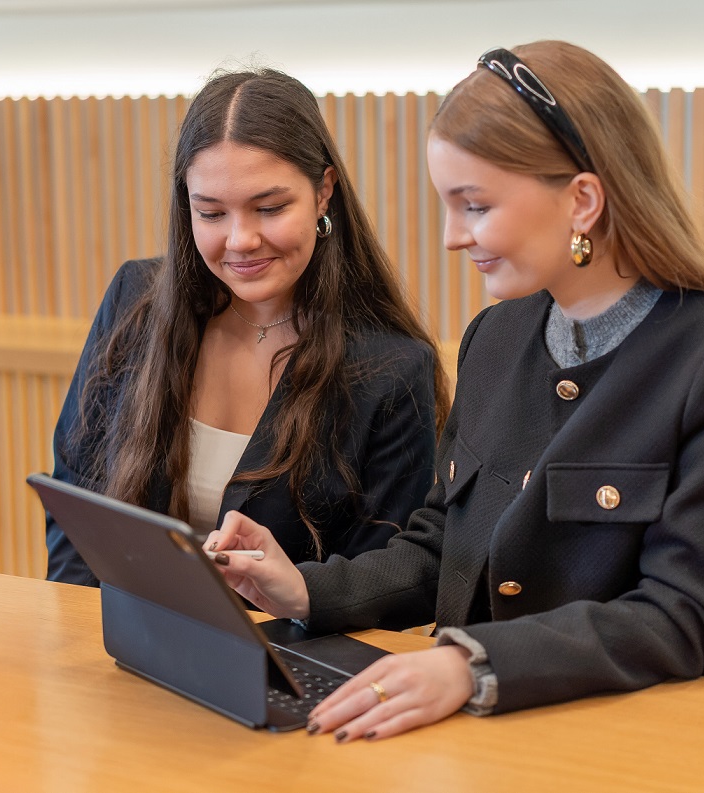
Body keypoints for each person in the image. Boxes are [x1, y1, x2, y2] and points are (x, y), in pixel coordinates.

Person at [203, 41, 704, 740]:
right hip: (504, 736)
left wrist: (470, 665)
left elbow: (686, 615)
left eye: (475, 206)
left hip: (674, 749)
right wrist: (304, 587)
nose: (453, 237)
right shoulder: (495, 336)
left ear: (582, 200)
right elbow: (442, 551)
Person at [46, 67, 449, 585]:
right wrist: (80, 623)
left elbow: (382, 580)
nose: (240, 240)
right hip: (119, 630)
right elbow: (75, 504)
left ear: (323, 192)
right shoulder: (134, 300)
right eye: (211, 214)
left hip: (283, 638)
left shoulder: (391, 368)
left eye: (270, 208)